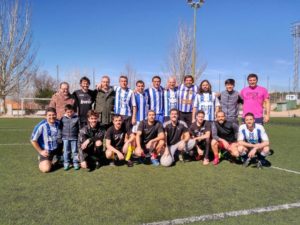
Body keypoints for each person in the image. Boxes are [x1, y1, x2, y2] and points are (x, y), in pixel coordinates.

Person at [31, 107, 61, 173]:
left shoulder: (59, 123)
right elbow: (33, 140)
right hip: (47, 151)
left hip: (57, 149)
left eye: (53, 115)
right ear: (45, 116)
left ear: (56, 114)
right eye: (49, 115)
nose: (52, 117)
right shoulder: (41, 125)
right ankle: (45, 160)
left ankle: (56, 158)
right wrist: (41, 151)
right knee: (46, 169)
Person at [59, 104, 80, 171]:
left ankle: (75, 162)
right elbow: (60, 128)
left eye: (71, 112)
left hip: (74, 138)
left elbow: (79, 129)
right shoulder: (62, 119)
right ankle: (66, 163)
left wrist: (79, 137)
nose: (69, 113)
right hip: (65, 138)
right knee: (66, 151)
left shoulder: (77, 118)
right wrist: (59, 137)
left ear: (73, 111)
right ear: (65, 112)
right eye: (68, 112)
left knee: (75, 151)